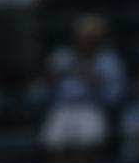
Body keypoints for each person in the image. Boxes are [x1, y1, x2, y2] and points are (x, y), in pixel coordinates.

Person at [39, 13, 127, 155]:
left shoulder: (109, 60)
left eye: (93, 38)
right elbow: (43, 91)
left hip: (92, 108)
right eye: (84, 36)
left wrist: (96, 80)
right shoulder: (61, 56)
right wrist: (51, 79)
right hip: (62, 108)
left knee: (89, 145)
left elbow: (115, 96)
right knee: (53, 145)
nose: (87, 41)